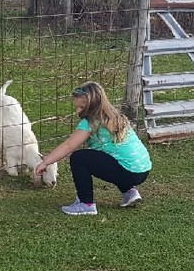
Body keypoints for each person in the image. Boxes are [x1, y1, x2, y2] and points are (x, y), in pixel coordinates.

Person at [34, 81, 151, 216]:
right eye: (76, 107)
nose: (78, 111)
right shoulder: (116, 117)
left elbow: (68, 146)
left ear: (92, 106)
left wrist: (45, 162)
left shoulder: (90, 122)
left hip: (127, 172)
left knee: (79, 158)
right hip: (142, 170)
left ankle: (86, 204)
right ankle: (130, 192)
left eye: (81, 107)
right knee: (115, 157)